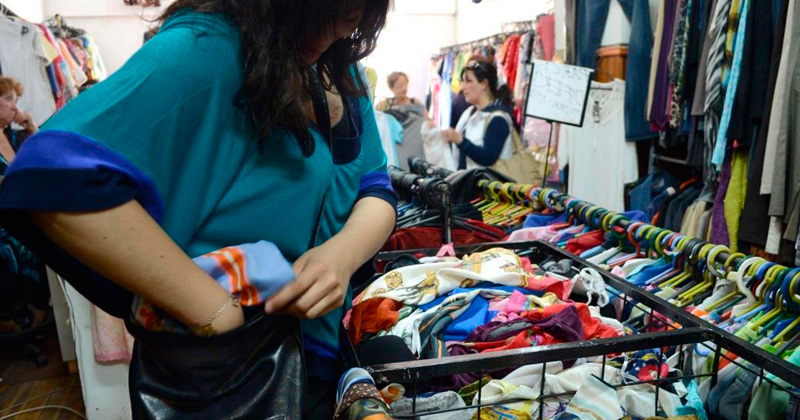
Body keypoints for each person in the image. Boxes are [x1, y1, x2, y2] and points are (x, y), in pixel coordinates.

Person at [0, 1, 395, 418]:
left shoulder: (340, 70)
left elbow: (374, 185)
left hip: (320, 351)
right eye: (322, 14)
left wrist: (340, 256)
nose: (329, 33)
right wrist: (214, 310)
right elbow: (51, 176)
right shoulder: (209, 48)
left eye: (350, 15)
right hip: (230, 372)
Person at [0, 77, 49, 334]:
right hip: (4, 221)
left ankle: (38, 310)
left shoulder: (15, 136)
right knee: (13, 249)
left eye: (16, 100)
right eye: (8, 99)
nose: (14, 106)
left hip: (22, 213)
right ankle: (14, 317)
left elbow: (48, 156)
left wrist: (31, 126)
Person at [441, 59, 516, 170]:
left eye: (468, 81)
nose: (463, 87)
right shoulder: (470, 113)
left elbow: (488, 158)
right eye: (462, 81)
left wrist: (459, 140)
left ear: (484, 84)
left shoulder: (498, 119)